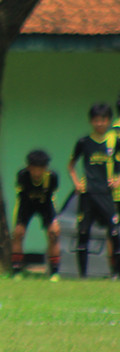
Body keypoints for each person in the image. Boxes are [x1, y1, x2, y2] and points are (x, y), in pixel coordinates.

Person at [67, 103, 120, 278]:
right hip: (88, 193)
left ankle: (115, 273)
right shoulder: (84, 142)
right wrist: (76, 183)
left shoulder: (114, 141)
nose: (99, 124)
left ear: (109, 121)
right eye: (96, 120)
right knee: (83, 232)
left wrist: (118, 179)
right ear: (91, 121)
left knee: (114, 231)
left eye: (103, 120)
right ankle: (83, 276)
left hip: (106, 193)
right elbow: (71, 165)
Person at [10, 149, 61, 280]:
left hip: (45, 204)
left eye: (40, 169)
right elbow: (21, 197)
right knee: (18, 233)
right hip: (27, 204)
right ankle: (16, 270)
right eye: (34, 169)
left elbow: (52, 196)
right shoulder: (22, 176)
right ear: (29, 167)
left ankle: (54, 272)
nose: (37, 173)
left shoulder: (52, 177)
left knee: (54, 233)